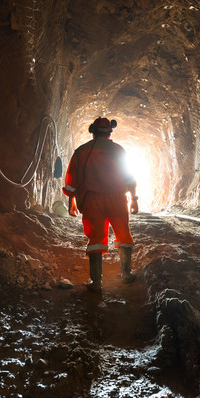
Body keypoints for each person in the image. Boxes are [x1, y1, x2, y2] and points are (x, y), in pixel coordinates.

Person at [62, 117, 139, 292]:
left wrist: (71, 202)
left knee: (95, 238)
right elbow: (129, 178)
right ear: (110, 132)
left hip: (92, 200)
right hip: (117, 199)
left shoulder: (81, 152)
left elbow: (71, 182)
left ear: (92, 132)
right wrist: (134, 199)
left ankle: (96, 282)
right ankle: (126, 274)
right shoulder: (118, 150)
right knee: (123, 234)